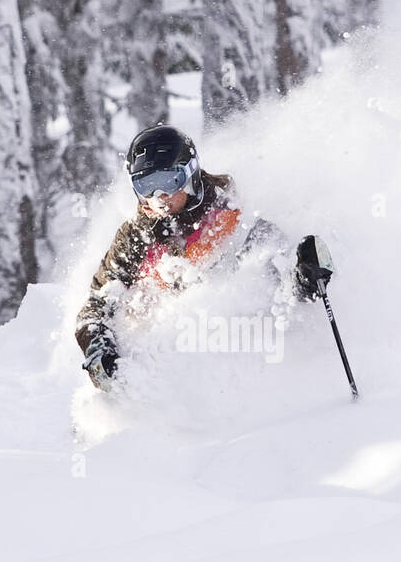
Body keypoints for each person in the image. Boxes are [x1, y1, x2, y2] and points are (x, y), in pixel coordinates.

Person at [75, 125, 333, 390]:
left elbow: (277, 271)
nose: (159, 198)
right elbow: (97, 302)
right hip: (168, 361)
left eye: (169, 182)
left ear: (190, 175)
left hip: (246, 346)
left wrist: (304, 277)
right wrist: (98, 343)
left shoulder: (232, 210)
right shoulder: (135, 236)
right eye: (146, 186)